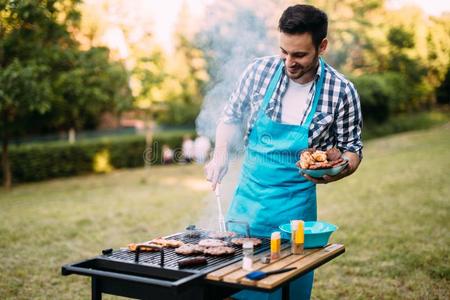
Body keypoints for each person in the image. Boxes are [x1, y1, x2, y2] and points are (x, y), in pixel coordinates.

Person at [205, 4, 363, 300]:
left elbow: (352, 150)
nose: (289, 62)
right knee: (236, 289)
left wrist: (336, 170)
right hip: (246, 209)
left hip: (295, 217)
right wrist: (221, 153)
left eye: (300, 54)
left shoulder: (342, 91)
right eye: (284, 52)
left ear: (322, 46)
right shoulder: (258, 72)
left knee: (286, 292)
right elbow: (229, 118)